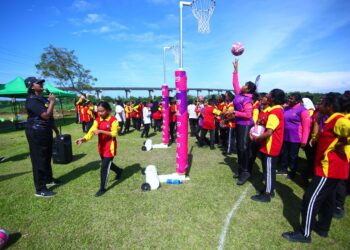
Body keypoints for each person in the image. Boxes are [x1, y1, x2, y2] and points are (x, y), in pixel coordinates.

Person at [282, 92, 350, 243]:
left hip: (329, 169)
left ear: (330, 106)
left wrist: (341, 144)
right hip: (331, 168)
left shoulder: (340, 120)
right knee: (328, 199)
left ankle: (304, 234)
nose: (319, 104)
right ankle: (322, 228)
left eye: (323, 102)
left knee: (310, 198)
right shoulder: (330, 119)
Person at [24, 76, 62, 197]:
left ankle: (48, 179)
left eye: (41, 82)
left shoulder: (42, 98)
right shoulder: (32, 100)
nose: (41, 83)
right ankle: (40, 189)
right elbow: (45, 115)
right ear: (31, 86)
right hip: (36, 131)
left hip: (45, 130)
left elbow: (49, 117)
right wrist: (52, 101)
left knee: (47, 156)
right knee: (39, 158)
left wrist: (56, 131)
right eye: (38, 83)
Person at [76, 101, 123, 197]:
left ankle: (102, 188)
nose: (100, 113)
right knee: (107, 164)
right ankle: (119, 171)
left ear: (108, 110)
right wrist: (84, 139)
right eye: (98, 111)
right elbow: (91, 131)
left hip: (110, 148)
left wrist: (101, 131)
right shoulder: (97, 119)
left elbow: (114, 134)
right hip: (101, 147)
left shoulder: (113, 120)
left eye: (102, 111)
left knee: (104, 168)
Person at [250, 89, 285, 202]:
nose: (266, 96)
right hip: (269, 145)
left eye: (269, 95)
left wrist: (256, 138)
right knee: (267, 170)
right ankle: (269, 189)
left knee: (269, 171)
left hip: (271, 146)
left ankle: (267, 194)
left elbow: (269, 132)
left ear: (273, 98)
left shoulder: (275, 112)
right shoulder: (276, 110)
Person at [231, 59, 257, 185]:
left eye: (246, 85)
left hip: (246, 125)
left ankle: (246, 171)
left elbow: (248, 115)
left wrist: (234, 113)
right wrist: (236, 70)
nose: (243, 85)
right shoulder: (240, 94)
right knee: (239, 147)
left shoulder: (248, 99)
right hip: (239, 124)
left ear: (249, 89)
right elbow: (235, 83)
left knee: (243, 148)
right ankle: (241, 169)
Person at [278, 92, 311, 179]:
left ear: (297, 100)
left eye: (291, 98)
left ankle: (292, 172)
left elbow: (306, 126)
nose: (289, 100)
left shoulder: (303, 110)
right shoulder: (286, 108)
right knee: (284, 153)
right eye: (289, 98)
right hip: (285, 136)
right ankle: (283, 169)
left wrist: (304, 140)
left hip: (295, 137)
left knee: (293, 156)